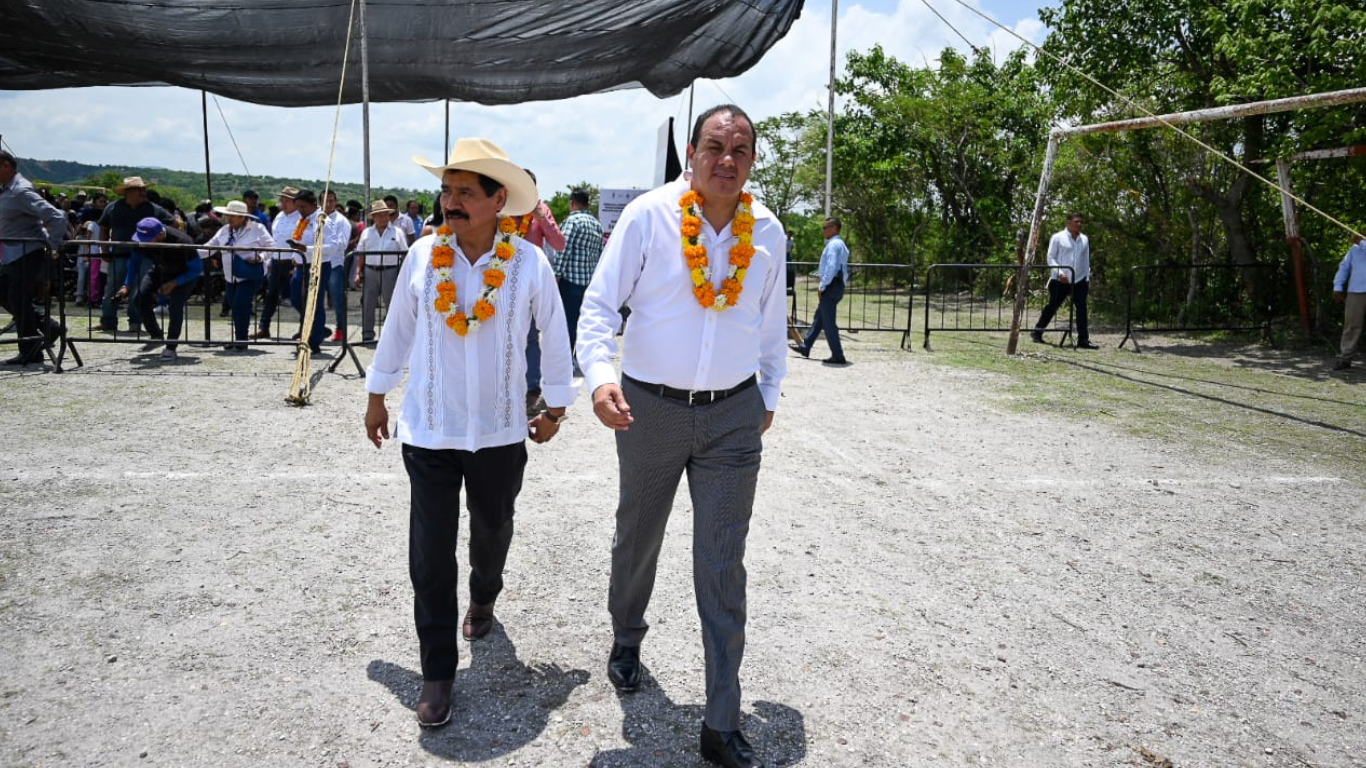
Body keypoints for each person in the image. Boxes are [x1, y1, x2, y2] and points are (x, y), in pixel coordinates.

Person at [576, 104, 787, 768]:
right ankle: (627, 635)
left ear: (752, 161)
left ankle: (721, 723)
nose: (727, 159)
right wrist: (601, 376)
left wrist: (767, 395)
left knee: (722, 563)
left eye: (741, 149)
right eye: (715, 146)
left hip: (732, 416)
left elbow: (773, 326)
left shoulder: (770, 232)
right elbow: (601, 306)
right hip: (649, 408)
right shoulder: (648, 216)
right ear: (692, 152)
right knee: (637, 534)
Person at [364, 137, 576, 729]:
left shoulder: (529, 263)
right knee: (429, 556)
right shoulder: (422, 255)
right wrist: (376, 395)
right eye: (446, 190)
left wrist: (555, 410)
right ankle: (437, 671)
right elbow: (398, 331)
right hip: (429, 431)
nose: (450, 202)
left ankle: (485, 592)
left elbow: (555, 341)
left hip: (500, 432)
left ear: (497, 200)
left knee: (493, 530)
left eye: (463, 192)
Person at [0, 151, 68, 366]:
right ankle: (50, 328)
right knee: (5, 294)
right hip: (12, 253)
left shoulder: (21, 191)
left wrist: (53, 246)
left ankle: (30, 350)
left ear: (6, 166)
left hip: (28, 252)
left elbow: (57, 217)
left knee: (18, 297)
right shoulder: (7, 190)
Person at [515, 170, 567, 415]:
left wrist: (541, 219)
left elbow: (559, 243)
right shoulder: (502, 207)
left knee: (531, 337)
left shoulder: (541, 210)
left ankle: (532, 390)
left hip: (532, 283)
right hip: (502, 280)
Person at [98, 177, 178, 332]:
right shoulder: (113, 208)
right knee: (111, 288)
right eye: (139, 189)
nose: (143, 192)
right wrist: (105, 249)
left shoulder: (153, 208)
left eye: (144, 189)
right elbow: (103, 228)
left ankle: (135, 322)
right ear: (128, 192)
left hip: (145, 256)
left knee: (138, 291)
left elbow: (173, 223)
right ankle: (108, 321)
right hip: (119, 254)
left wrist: (161, 243)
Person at [115, 217, 199, 362]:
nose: (143, 243)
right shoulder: (142, 241)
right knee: (140, 298)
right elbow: (134, 261)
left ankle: (171, 347)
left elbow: (197, 269)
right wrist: (127, 285)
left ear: (160, 235)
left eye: (147, 239)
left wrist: (174, 283)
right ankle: (155, 335)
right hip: (159, 270)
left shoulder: (183, 242)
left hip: (185, 275)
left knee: (175, 305)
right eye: (141, 239)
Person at [201, 200, 273, 351]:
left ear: (243, 217)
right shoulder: (225, 230)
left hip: (250, 274)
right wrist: (189, 252)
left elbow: (272, 247)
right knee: (236, 305)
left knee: (241, 303)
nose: (229, 218)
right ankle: (240, 338)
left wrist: (260, 257)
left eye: (233, 215)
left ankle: (241, 340)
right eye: (228, 215)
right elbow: (210, 247)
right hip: (230, 275)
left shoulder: (257, 228)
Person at [552, 188, 604, 372]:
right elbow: (599, 255)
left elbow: (562, 250)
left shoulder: (572, 221)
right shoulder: (596, 224)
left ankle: (565, 362)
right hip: (589, 283)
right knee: (584, 323)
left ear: (572, 202)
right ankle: (580, 359)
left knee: (568, 322)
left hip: (570, 282)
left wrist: (556, 275)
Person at [287, 189, 346, 354]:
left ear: (314, 205)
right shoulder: (302, 220)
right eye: (298, 206)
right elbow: (298, 240)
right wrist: (295, 255)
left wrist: (307, 249)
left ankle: (314, 340)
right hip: (301, 265)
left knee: (314, 302)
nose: (300, 209)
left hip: (318, 265)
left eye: (303, 206)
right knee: (296, 298)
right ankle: (315, 328)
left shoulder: (323, 221)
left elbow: (333, 247)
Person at [789, 216, 850, 365]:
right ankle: (806, 346)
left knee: (828, 322)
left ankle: (838, 354)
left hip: (831, 285)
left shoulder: (833, 245)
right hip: (837, 285)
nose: (823, 230)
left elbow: (831, 267)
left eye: (825, 228)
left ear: (834, 228)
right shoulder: (840, 244)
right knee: (820, 318)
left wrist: (822, 286)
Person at [1031, 212, 1097, 349]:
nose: (1079, 224)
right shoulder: (1058, 237)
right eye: (1076, 221)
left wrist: (1087, 276)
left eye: (1081, 222)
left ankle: (1083, 339)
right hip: (1060, 280)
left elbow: (1086, 260)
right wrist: (1059, 272)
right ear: (1069, 222)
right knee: (1053, 306)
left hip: (1079, 280)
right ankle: (1037, 331)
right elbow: (1050, 257)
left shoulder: (1084, 239)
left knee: (1081, 309)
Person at [354, 199, 409, 343]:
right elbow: (361, 254)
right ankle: (367, 333)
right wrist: (357, 272)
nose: (383, 218)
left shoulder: (397, 232)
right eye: (379, 215)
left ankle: (393, 334)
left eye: (385, 214)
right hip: (370, 270)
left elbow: (404, 254)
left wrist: (404, 274)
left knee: (391, 303)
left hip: (390, 270)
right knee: (368, 303)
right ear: (373, 217)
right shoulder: (366, 232)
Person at [255, 186, 300, 339]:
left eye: (286, 200)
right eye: (282, 199)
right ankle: (264, 327)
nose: (283, 203)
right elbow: (274, 238)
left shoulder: (301, 217)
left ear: (295, 202)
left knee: (297, 297)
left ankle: (306, 328)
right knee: (271, 295)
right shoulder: (280, 216)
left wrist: (297, 261)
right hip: (277, 260)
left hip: (292, 261)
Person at [1332, 232, 1366, 370]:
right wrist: (1338, 286)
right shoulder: (1355, 249)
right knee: (1351, 325)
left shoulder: (1361, 245)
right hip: (1356, 291)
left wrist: (1363, 243)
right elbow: (1344, 267)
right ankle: (1345, 358)